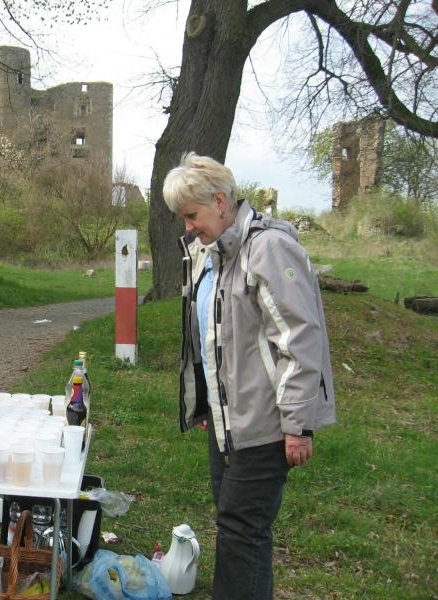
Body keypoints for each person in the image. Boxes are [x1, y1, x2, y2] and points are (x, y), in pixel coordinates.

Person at [163, 152, 336, 599]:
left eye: (191, 215)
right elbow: (215, 337)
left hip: (265, 422)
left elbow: (299, 339)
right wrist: (210, 403)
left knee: (243, 528)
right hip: (229, 420)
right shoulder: (215, 254)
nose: (188, 227)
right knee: (235, 523)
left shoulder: (268, 249)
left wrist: (298, 424)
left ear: (220, 201)